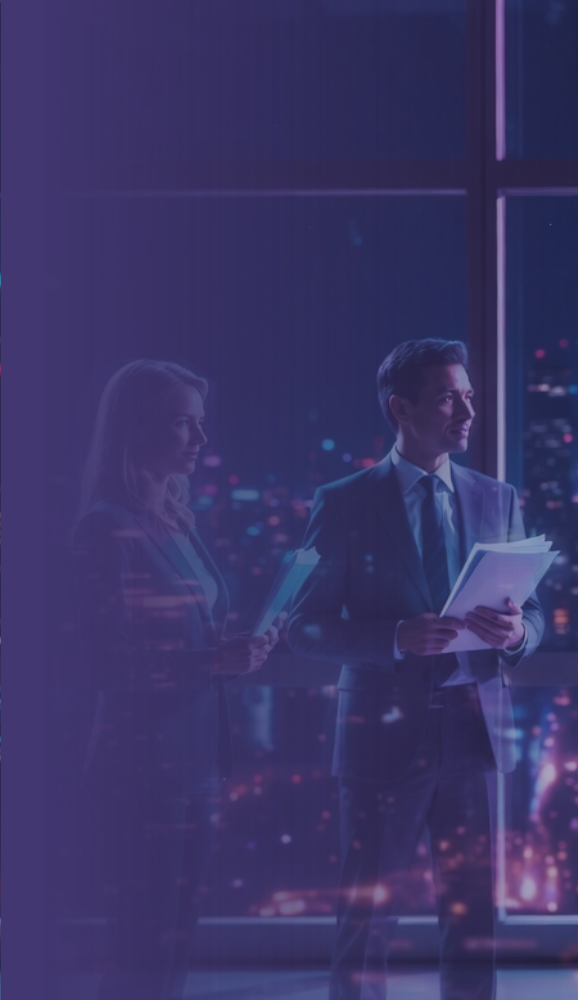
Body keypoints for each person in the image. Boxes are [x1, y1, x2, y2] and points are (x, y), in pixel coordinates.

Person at [288, 339, 545, 1000]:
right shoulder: (345, 502)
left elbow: (535, 616)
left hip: (473, 732)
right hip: (382, 734)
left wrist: (517, 631)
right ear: (401, 408)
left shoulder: (496, 498)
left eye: (468, 395)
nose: (466, 410)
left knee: (473, 919)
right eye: (447, 397)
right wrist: (396, 638)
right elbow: (303, 627)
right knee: (366, 917)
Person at [74, 360, 281, 999]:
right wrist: (209, 662)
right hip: (142, 771)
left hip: (197, 765)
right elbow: (104, 663)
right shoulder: (106, 527)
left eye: (201, 423)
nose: (200, 439)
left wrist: (236, 649)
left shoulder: (176, 524)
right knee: (141, 951)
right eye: (182, 424)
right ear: (137, 430)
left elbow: (189, 636)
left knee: (175, 946)